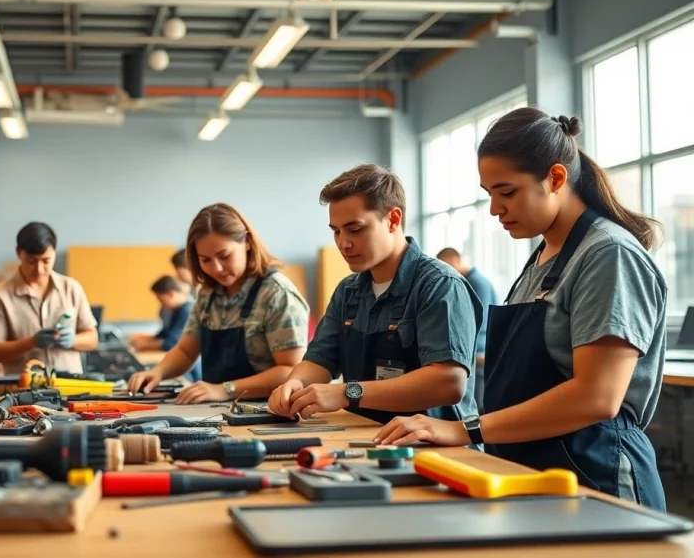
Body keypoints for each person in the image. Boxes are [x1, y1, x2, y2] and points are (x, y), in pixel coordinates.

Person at [373, 109, 668, 512]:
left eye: (507, 192)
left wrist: (463, 429)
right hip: (527, 469)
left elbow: (597, 397)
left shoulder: (607, 254)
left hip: (595, 475)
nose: (495, 208)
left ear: (556, 179)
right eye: (489, 193)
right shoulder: (543, 257)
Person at [267, 165, 481, 429]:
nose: (343, 243)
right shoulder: (348, 291)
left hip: (437, 451)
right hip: (369, 438)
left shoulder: (439, 285)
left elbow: (448, 382)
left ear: (393, 219)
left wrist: (348, 392)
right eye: (336, 231)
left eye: (355, 229)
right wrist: (294, 384)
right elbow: (319, 360)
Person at [128, 203, 310, 404]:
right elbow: (185, 351)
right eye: (205, 260)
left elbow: (292, 371)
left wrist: (226, 390)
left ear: (247, 242)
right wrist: (158, 372)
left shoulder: (276, 294)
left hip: (265, 411)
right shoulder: (208, 293)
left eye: (225, 256)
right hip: (215, 410)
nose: (217, 268)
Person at [0, 222, 99, 374]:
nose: (39, 269)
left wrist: (72, 341)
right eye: (31, 261)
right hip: (24, 391)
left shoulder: (71, 288)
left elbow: (92, 338)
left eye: (46, 260)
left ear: (54, 253)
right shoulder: (0, 296)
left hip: (70, 386)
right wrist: (31, 343)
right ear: (19, 253)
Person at [437, 247, 499, 359]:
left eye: (445, 263)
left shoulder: (477, 282)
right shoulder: (466, 281)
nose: (444, 270)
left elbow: (481, 320)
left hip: (479, 351)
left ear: (455, 259)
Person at [130, 275, 194, 353]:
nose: (162, 305)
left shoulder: (187, 311)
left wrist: (144, 345)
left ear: (171, 294)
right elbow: (164, 334)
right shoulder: (177, 310)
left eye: (161, 300)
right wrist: (144, 341)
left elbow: (172, 343)